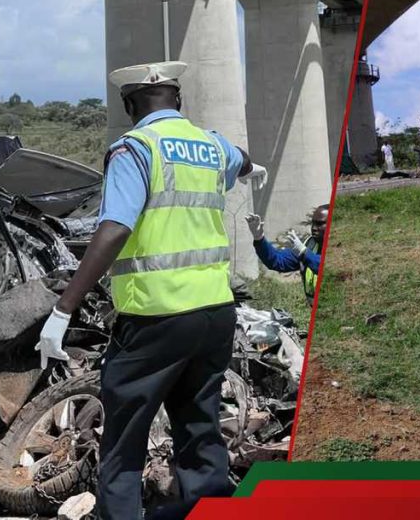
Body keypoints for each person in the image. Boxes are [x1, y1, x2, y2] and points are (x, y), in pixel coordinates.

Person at [33, 61, 267, 520]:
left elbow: (115, 228)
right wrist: (250, 166)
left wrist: (63, 310)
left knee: (125, 432)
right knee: (200, 428)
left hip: (156, 316)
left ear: (128, 104)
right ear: (178, 100)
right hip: (216, 312)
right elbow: (240, 156)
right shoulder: (212, 146)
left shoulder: (134, 149)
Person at [244, 205, 327, 305]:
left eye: (320, 224)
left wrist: (304, 253)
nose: (314, 228)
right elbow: (277, 261)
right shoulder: (309, 245)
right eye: (313, 223)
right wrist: (259, 238)